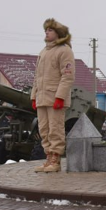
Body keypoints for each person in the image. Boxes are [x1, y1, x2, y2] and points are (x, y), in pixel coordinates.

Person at [30, 18, 76, 173]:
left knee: (55, 129)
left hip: (55, 97)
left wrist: (60, 97)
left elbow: (67, 76)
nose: (46, 33)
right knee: (44, 130)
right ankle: (48, 158)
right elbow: (37, 77)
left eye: (50, 30)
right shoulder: (43, 52)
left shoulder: (64, 50)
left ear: (58, 33)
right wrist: (34, 96)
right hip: (42, 97)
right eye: (46, 30)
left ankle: (55, 160)